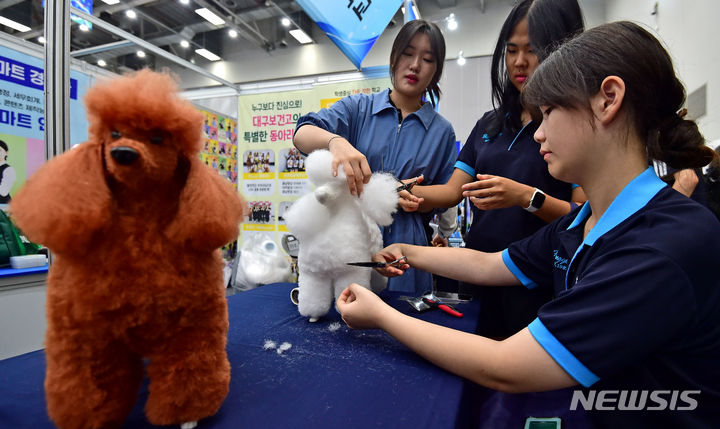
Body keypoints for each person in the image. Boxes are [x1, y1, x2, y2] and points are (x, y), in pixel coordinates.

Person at [337, 22, 720, 427]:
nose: (538, 133)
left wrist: (381, 316)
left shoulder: (659, 247)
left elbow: (506, 366)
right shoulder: (582, 224)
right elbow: (491, 265)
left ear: (608, 99)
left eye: (551, 112)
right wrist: (409, 252)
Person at [398, 0, 586, 338]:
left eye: (532, 50)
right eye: (511, 50)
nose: (519, 62)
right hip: (479, 274)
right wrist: (400, 191)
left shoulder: (573, 126)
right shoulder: (491, 123)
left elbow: (583, 216)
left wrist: (526, 197)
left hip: (535, 282)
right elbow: (452, 191)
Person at [293, 19, 457, 294]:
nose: (415, 65)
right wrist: (335, 141)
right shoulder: (358, 108)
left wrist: (417, 196)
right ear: (394, 58)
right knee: (348, 317)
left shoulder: (442, 131)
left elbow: (450, 193)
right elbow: (302, 134)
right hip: (353, 234)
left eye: (427, 59)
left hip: (408, 248)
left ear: (436, 71)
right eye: (407, 53)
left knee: (405, 325)